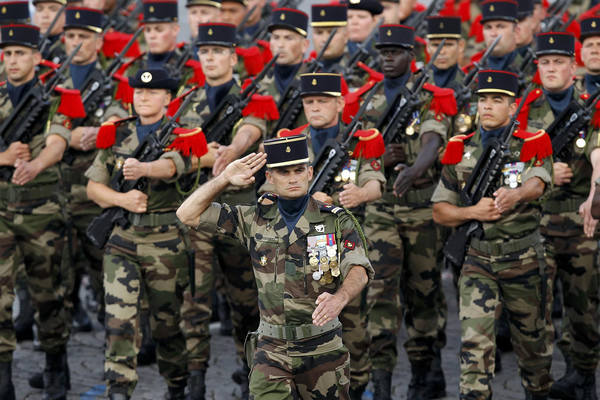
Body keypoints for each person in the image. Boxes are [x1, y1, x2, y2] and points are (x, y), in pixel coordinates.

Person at [176, 134, 374, 400]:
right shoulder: (253, 219)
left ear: (310, 172)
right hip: (271, 350)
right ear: (270, 177)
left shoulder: (336, 221)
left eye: (298, 170)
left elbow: (358, 270)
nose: (292, 178)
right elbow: (187, 214)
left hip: (322, 348)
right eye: (283, 172)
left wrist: (340, 298)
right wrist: (223, 178)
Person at [432, 69, 554, 399]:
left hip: (524, 261)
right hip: (478, 261)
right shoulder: (460, 149)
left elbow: (539, 179)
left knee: (535, 352)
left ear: (513, 107)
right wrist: (472, 213)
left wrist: (517, 194)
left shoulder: (532, 142)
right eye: (483, 100)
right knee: (473, 349)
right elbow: (440, 210)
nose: (487, 106)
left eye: (496, 100)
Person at [86, 68, 207, 400]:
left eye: (152, 93)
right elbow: (93, 188)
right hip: (122, 240)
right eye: (138, 91)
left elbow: (172, 167)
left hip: (165, 242)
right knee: (119, 322)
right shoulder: (116, 133)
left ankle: (177, 385)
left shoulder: (183, 136)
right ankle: (118, 390)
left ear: (168, 99)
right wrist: (121, 199)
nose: (143, 97)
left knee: (168, 325)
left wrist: (144, 169)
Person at [275, 71, 386, 399]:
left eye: (322, 101)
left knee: (351, 322)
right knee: (300, 320)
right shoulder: (289, 141)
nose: (314, 108)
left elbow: (376, 185)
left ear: (339, 102)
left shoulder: (359, 141)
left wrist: (356, 195)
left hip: (343, 242)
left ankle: (361, 383)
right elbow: (271, 189)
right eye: (309, 102)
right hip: (299, 247)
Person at [174, 22, 269, 400]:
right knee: (194, 302)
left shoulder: (252, 95)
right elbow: (174, 146)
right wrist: (201, 155)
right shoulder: (187, 99)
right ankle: (194, 381)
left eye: (218, 52)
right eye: (205, 52)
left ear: (233, 57)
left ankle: (251, 376)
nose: (210, 58)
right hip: (197, 209)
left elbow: (253, 128)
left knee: (245, 301)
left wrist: (232, 149)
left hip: (239, 213)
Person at [360, 22, 452, 399]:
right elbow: (355, 153)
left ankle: (423, 373)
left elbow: (433, 137)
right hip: (381, 211)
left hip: (421, 211)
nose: (387, 59)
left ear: (411, 57)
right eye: (382, 53)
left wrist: (416, 168)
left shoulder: (430, 97)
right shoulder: (366, 100)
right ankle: (380, 381)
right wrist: (379, 160)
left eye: (395, 52)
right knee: (379, 293)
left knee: (424, 293)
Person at [518, 30, 600, 400]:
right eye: (545, 62)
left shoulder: (590, 105)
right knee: (536, 310)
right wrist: (541, 172)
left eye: (559, 62)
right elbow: (505, 160)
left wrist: (595, 187)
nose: (551, 68)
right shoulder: (523, 108)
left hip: (580, 224)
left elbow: (598, 152)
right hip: (537, 223)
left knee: (583, 309)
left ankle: (583, 377)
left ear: (574, 66)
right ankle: (539, 382)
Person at [0, 23, 73, 400]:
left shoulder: (54, 96)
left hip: (43, 210)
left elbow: (59, 141)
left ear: (35, 58)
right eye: (7, 54)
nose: (13, 60)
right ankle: (3, 378)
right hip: (0, 210)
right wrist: (5, 158)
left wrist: (35, 165)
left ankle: (56, 364)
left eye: (19, 54)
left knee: (49, 296)